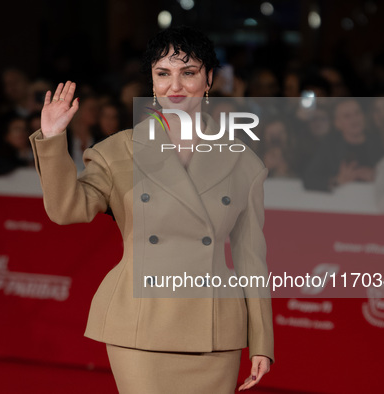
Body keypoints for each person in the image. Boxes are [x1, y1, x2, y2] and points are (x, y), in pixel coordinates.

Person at [29, 26, 273, 393]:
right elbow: (67, 210)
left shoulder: (244, 164)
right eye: (163, 73)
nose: (175, 85)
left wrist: (262, 343)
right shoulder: (118, 151)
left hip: (213, 331)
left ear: (208, 79)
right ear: (153, 82)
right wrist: (52, 139)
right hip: (140, 324)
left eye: (188, 72)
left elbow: (251, 260)